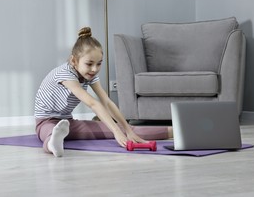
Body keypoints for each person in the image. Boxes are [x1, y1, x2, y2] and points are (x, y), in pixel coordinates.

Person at [34, 27, 173, 157]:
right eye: (89, 64)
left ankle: (174, 131)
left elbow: (106, 101)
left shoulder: (89, 74)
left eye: (99, 63)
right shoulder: (65, 74)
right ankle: (53, 143)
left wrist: (126, 130)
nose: (94, 69)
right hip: (45, 121)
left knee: (124, 129)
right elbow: (93, 103)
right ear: (74, 61)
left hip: (67, 122)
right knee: (50, 132)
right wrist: (116, 132)